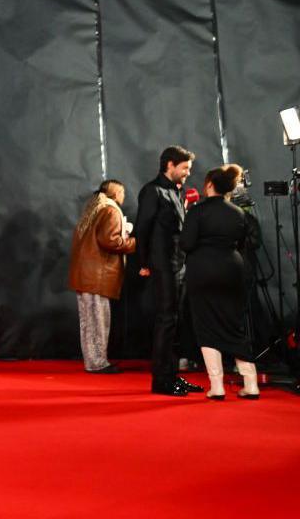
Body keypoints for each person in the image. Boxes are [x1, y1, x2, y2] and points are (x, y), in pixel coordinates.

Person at [181, 164, 260, 400]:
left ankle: (217, 386)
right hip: (232, 269)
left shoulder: (197, 211)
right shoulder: (238, 212)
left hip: (202, 270)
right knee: (235, 324)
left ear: (209, 185)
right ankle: (251, 383)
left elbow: (185, 243)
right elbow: (245, 242)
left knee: (206, 325)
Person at [136, 145, 205, 396]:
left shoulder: (177, 191)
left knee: (174, 322)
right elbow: (142, 230)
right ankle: (162, 381)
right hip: (163, 265)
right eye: (185, 168)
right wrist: (144, 263)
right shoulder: (152, 191)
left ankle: (172, 376)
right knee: (166, 321)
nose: (188, 173)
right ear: (170, 165)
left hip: (179, 264)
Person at [69, 180, 137, 373]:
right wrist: (134, 243)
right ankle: (98, 363)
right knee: (98, 321)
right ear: (115, 193)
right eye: (122, 191)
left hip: (86, 275)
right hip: (97, 276)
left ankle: (93, 362)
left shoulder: (93, 210)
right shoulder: (111, 210)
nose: (124, 195)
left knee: (88, 322)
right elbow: (110, 240)